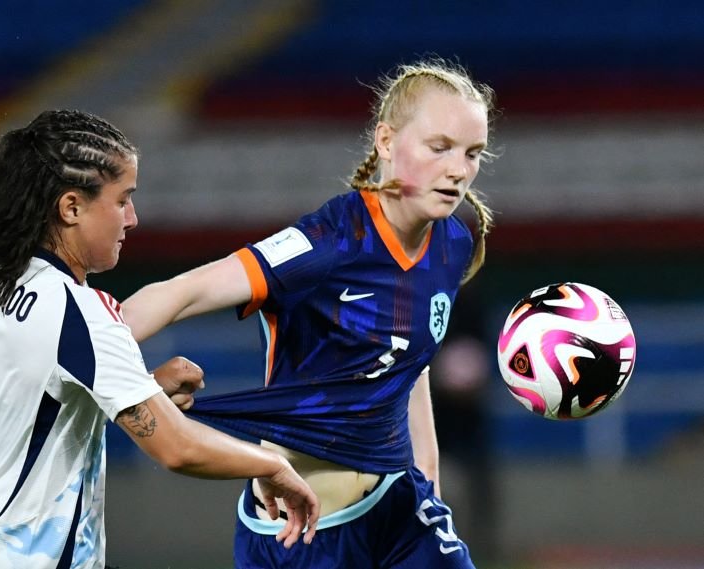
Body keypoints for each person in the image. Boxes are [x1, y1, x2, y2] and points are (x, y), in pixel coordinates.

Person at [122, 58, 496, 568]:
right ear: (386, 141)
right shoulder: (330, 242)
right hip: (303, 532)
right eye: (440, 148)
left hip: (400, 510)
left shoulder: (451, 243)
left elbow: (410, 367)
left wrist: (428, 484)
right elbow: (182, 292)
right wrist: (95, 360)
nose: (459, 169)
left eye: (473, 153)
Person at [0, 109, 319, 569]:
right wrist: (272, 465)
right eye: (122, 200)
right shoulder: (81, 311)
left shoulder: (11, 284)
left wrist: (143, 388)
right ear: (71, 208)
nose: (134, 218)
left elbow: (40, 406)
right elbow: (177, 448)